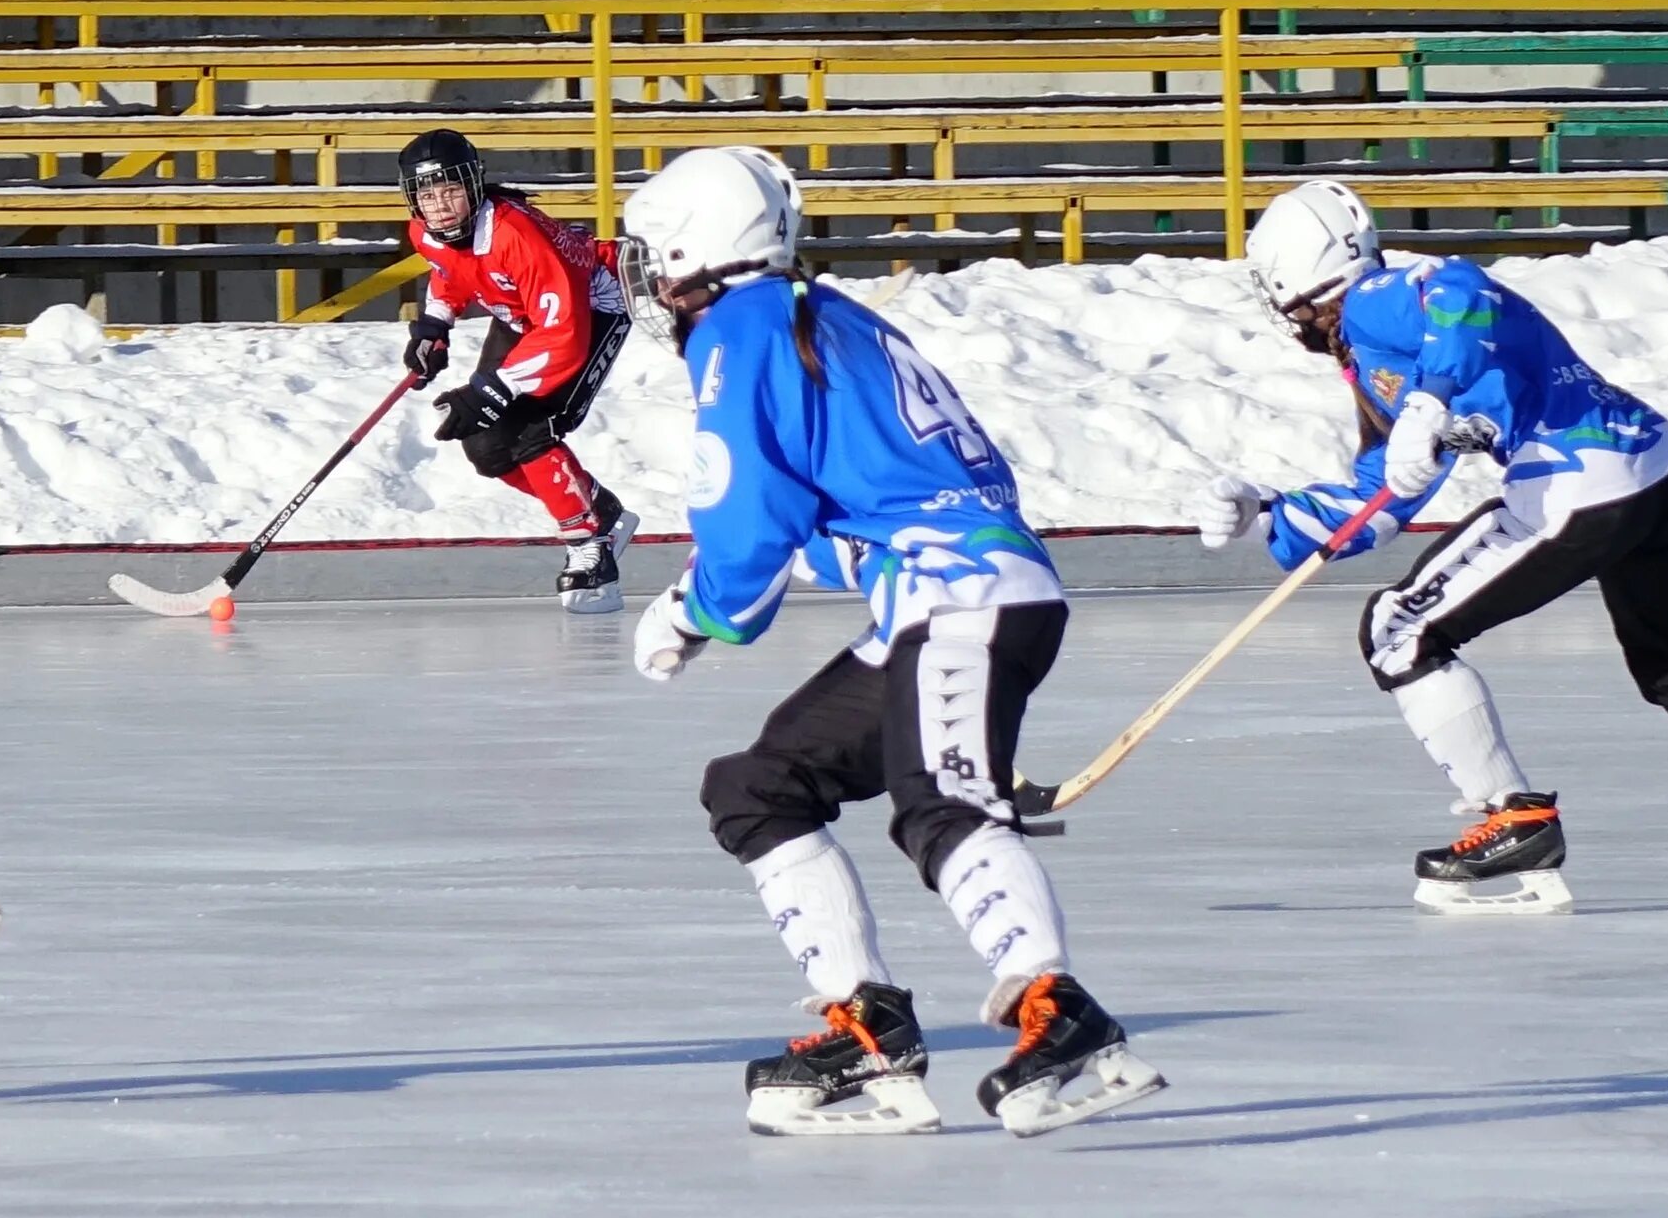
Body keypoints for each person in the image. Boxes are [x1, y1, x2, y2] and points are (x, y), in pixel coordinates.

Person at [618, 147, 1164, 1138]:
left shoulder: (739, 330)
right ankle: (867, 1023)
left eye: (652, 256)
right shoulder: (824, 313)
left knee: (940, 806)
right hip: (951, 596)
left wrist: (691, 609)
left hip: (958, 599)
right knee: (758, 783)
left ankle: (1061, 1011)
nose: (648, 280)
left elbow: (747, 528)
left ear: (694, 248)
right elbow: (869, 488)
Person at [1204, 181, 1668, 913]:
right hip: (1650, 465)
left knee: (1399, 630)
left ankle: (1512, 818)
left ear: (1289, 285)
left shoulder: (1375, 301)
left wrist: (1427, 404)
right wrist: (1271, 516)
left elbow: (1459, 287)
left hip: (1577, 479)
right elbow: (1387, 489)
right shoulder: (1374, 352)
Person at [400, 129, 641, 614]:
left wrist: (493, 388)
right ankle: (600, 510)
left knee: (528, 428)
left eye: (450, 189)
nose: (440, 204)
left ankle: (589, 546)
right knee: (486, 447)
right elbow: (451, 273)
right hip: (526, 317)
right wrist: (435, 325)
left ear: (473, 185)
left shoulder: (516, 235)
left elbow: (564, 333)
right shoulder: (423, 232)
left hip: (592, 305)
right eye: (427, 194)